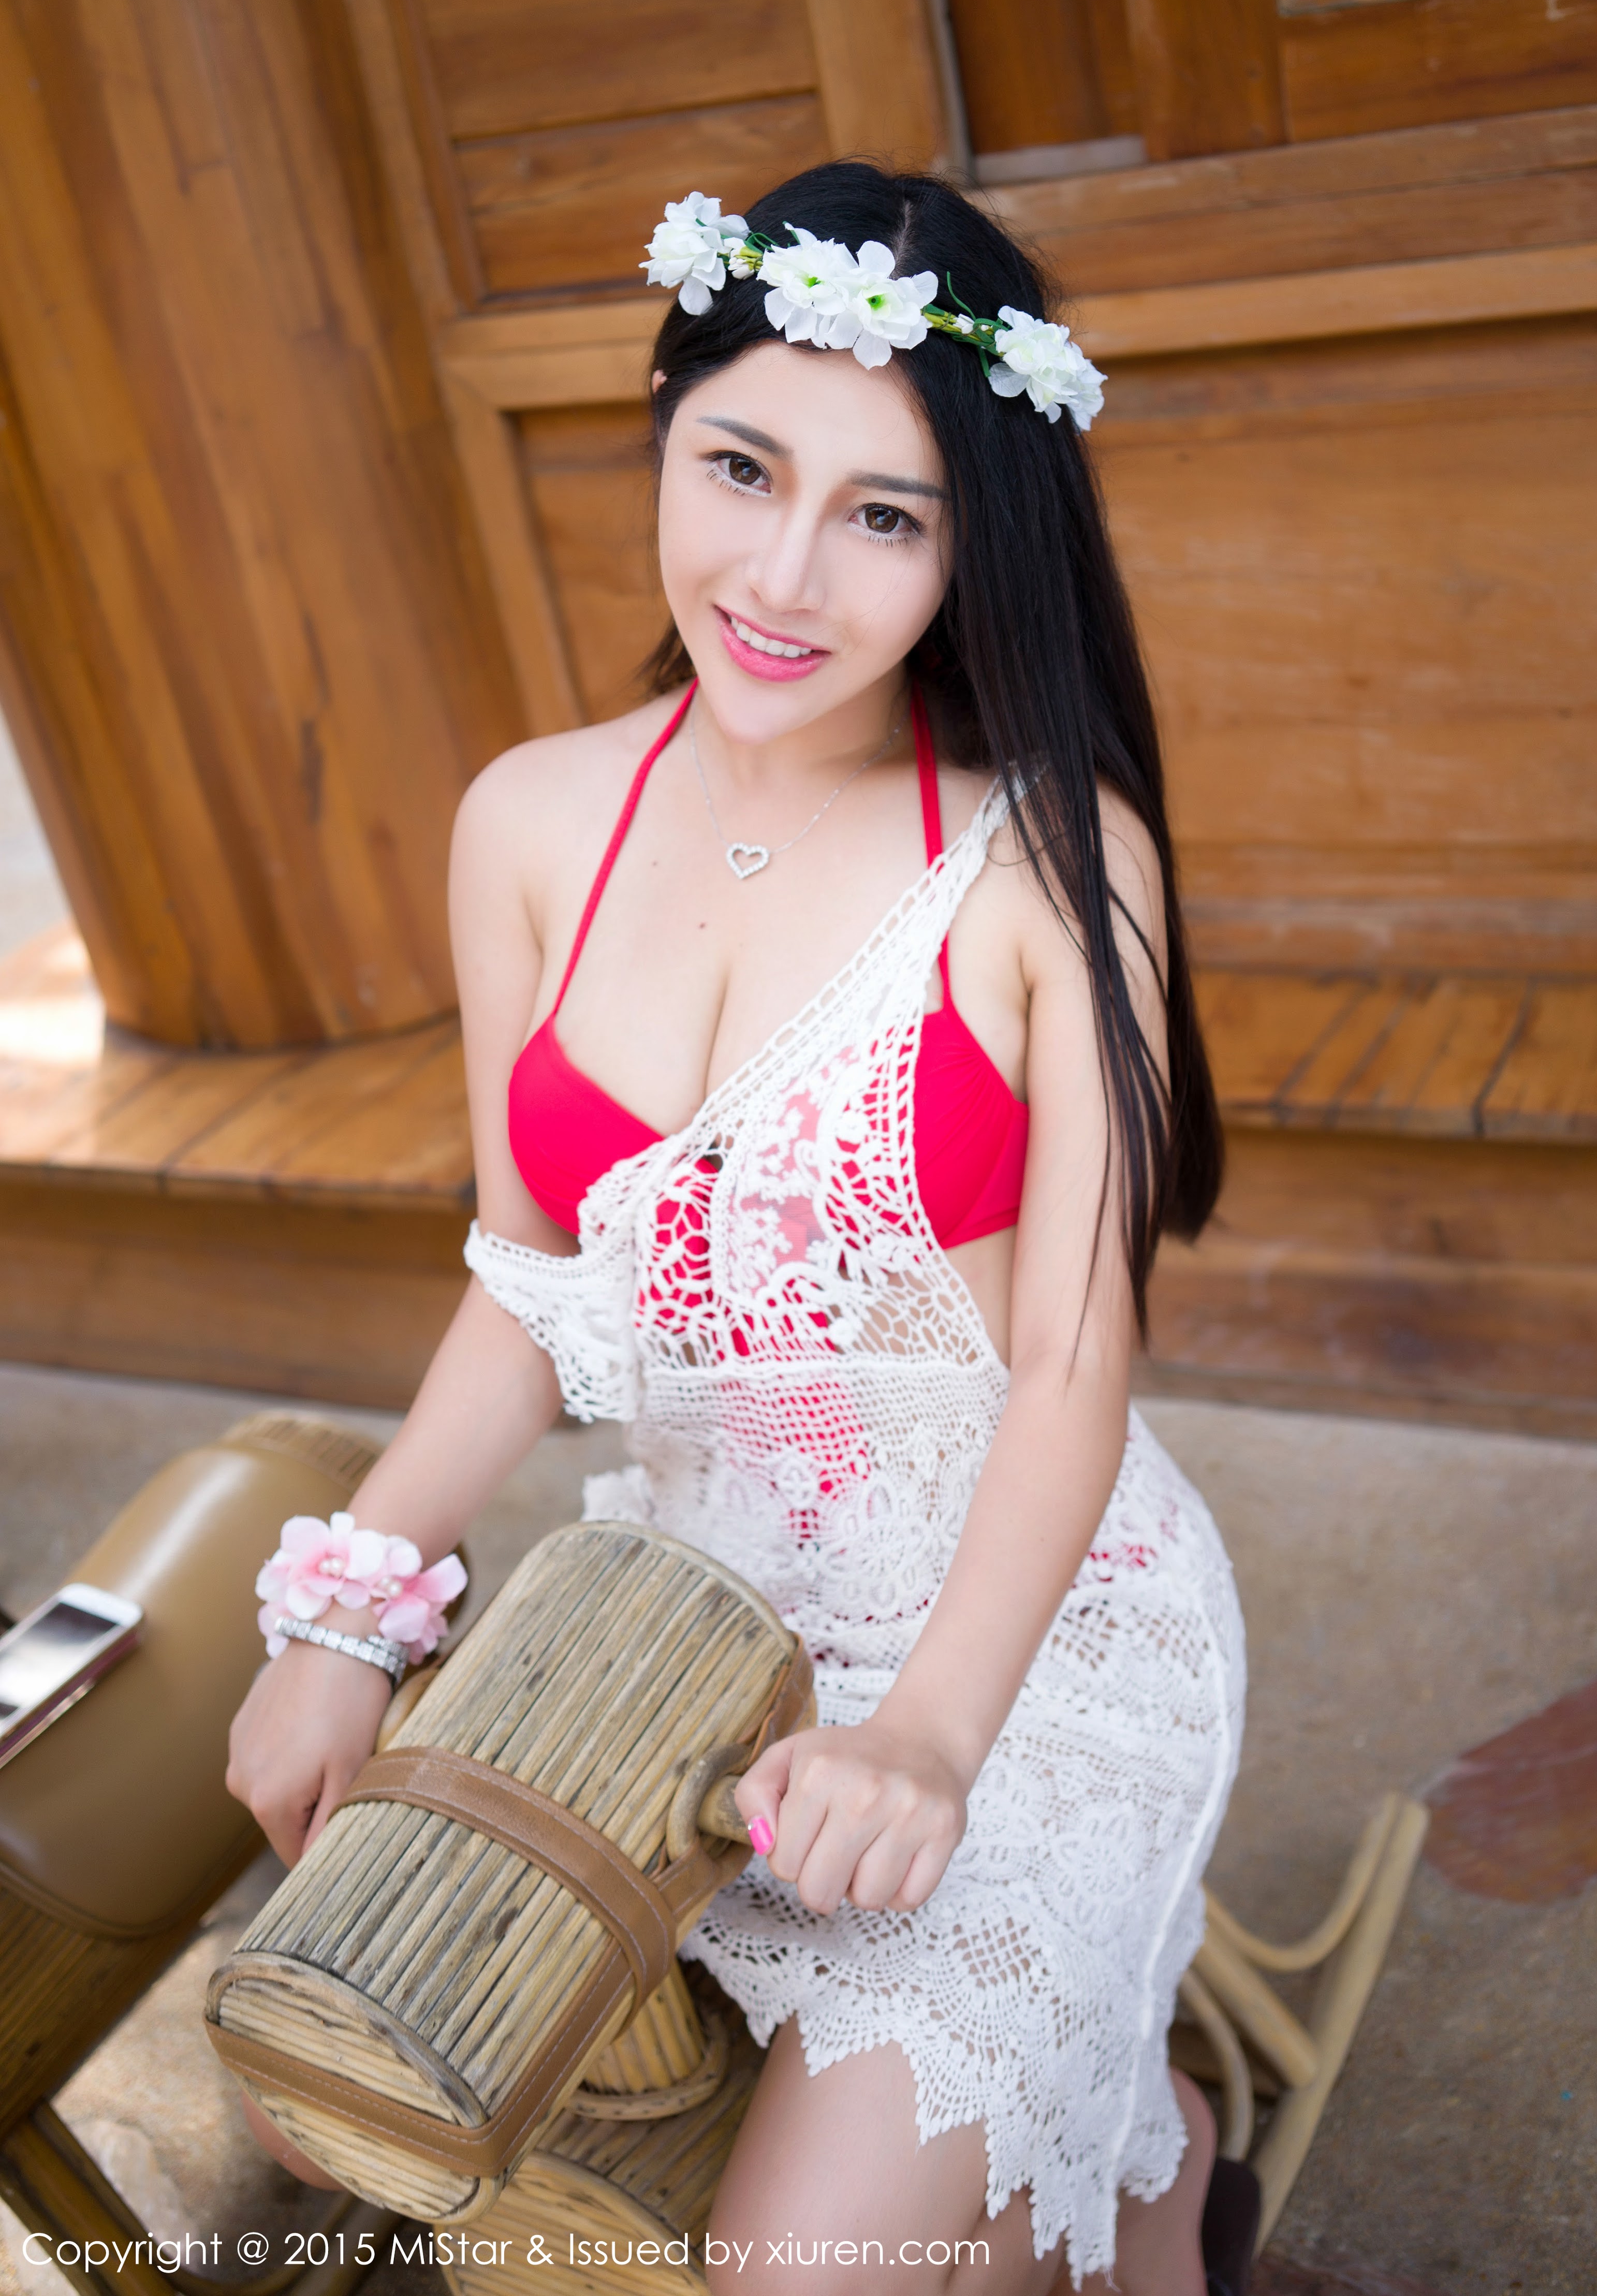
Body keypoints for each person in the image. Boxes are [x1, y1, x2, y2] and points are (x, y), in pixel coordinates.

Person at [227, 162, 1247, 2296]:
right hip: (696, 1616)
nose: (781, 576)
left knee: (801, 2270)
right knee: (346, 2094)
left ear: (974, 544)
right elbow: (535, 1279)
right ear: (662, 436)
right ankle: (1111, 2125)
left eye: (883, 514)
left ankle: (1139, 2127)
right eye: (741, 469)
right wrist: (348, 1614)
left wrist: (930, 1735)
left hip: (1026, 1636)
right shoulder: (531, 820)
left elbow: (1072, 1368)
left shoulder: (1054, 860)